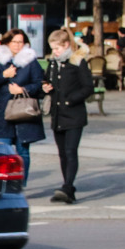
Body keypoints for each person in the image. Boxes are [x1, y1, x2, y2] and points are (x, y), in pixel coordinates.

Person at [41, 28, 94, 204]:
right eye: (52, 49)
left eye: (57, 48)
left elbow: (88, 87)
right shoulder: (53, 63)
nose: (54, 52)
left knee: (71, 151)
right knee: (62, 153)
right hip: (58, 115)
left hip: (74, 114)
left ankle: (68, 187)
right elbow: (48, 80)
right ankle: (67, 186)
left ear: (66, 45)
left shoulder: (77, 62)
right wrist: (45, 87)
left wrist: (72, 100)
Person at [0, 28, 44, 184]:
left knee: (23, 152)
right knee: (3, 151)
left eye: (21, 42)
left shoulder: (31, 61)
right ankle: (5, 184)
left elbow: (39, 84)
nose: (18, 45)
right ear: (7, 43)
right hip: (4, 112)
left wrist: (23, 90)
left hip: (24, 111)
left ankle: (21, 185)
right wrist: (4, 75)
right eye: (14, 42)